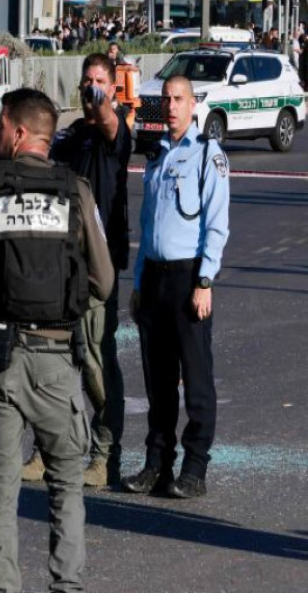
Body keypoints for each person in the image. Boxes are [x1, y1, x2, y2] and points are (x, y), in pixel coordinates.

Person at [0, 88, 114, 593]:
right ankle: (67, 587)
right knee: (66, 486)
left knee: (1, 491)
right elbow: (104, 280)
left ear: (16, 133)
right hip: (58, 361)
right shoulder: (75, 190)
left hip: (1, 363)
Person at [20, 53, 131, 489]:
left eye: (99, 80)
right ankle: (49, 452)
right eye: (87, 80)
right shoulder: (70, 135)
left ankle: (106, 457)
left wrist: (102, 101)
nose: (90, 87)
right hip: (60, 270)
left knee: (96, 365)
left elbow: (109, 124)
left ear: (113, 87)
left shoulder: (115, 132)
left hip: (97, 270)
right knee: (54, 364)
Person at [122, 75, 230, 499]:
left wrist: (205, 280)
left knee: (197, 378)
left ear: (192, 104)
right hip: (154, 278)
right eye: (165, 99)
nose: (170, 106)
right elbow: (148, 226)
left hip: (189, 279)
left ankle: (195, 467)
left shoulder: (208, 154)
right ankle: (156, 463)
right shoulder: (157, 157)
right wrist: (138, 279)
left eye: (178, 99)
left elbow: (217, 226)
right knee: (158, 381)